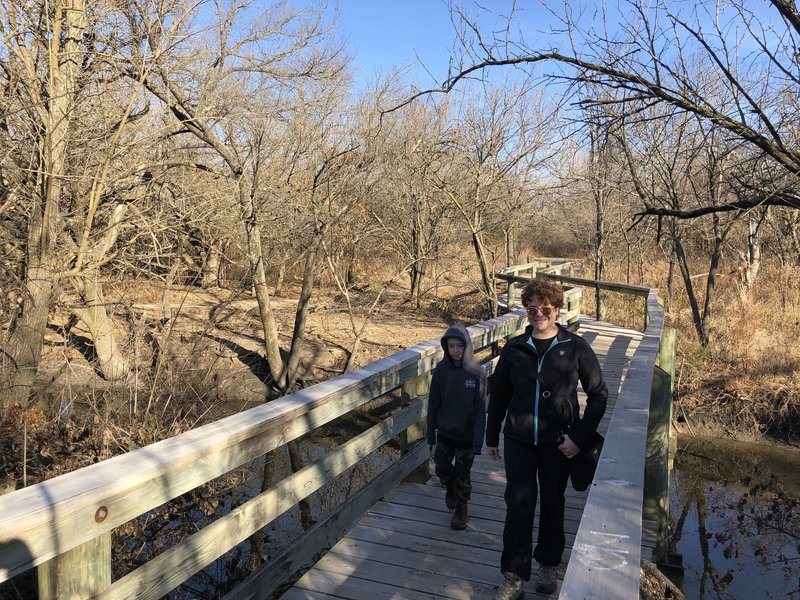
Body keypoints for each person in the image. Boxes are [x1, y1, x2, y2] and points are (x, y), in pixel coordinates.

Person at [487, 279, 608, 599]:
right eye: (532, 308)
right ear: (525, 311)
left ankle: (548, 564)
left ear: (557, 309)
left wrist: (579, 439)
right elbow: (498, 395)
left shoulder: (575, 346)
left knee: (553, 503)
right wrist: (491, 436)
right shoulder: (514, 348)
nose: (539, 314)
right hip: (518, 438)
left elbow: (598, 396)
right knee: (518, 502)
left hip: (559, 441)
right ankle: (513, 575)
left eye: (545, 308)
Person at [427, 322, 487, 530]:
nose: (455, 350)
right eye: (451, 346)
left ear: (467, 346)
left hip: (466, 435)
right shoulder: (441, 371)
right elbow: (434, 402)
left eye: (459, 345)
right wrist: (430, 433)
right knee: (441, 466)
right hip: (445, 430)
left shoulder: (476, 372)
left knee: (463, 473)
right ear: (446, 347)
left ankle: (462, 508)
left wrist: (479, 439)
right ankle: (450, 488)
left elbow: (480, 408)